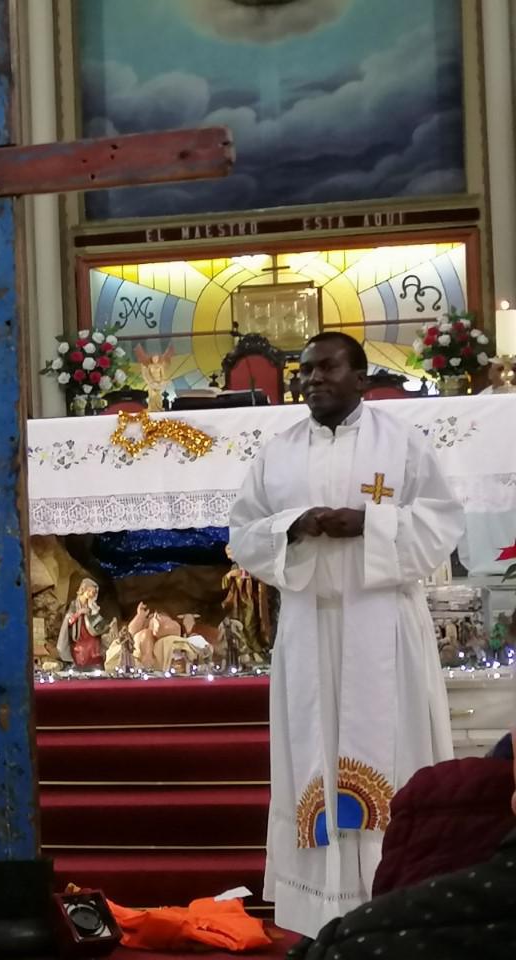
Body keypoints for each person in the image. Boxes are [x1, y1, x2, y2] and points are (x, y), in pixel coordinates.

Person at [228, 332, 464, 938]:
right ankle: (317, 907)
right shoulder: (277, 452)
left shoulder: (401, 442)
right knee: (312, 750)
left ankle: (397, 894)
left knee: (393, 744)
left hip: (382, 623)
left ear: (361, 377)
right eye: (304, 371)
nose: (312, 379)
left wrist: (369, 524)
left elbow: (441, 523)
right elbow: (244, 533)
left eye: (327, 368)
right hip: (308, 626)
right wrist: (295, 526)